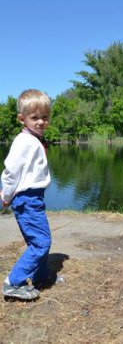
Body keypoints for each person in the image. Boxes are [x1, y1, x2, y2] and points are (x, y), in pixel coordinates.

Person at [1, 89, 62, 300]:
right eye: (34, 118)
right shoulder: (24, 141)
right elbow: (10, 172)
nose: (41, 122)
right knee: (41, 242)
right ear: (22, 118)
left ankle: (41, 275)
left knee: (38, 239)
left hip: (34, 198)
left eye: (45, 117)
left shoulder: (33, 139)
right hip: (26, 199)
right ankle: (12, 283)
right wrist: (5, 197)